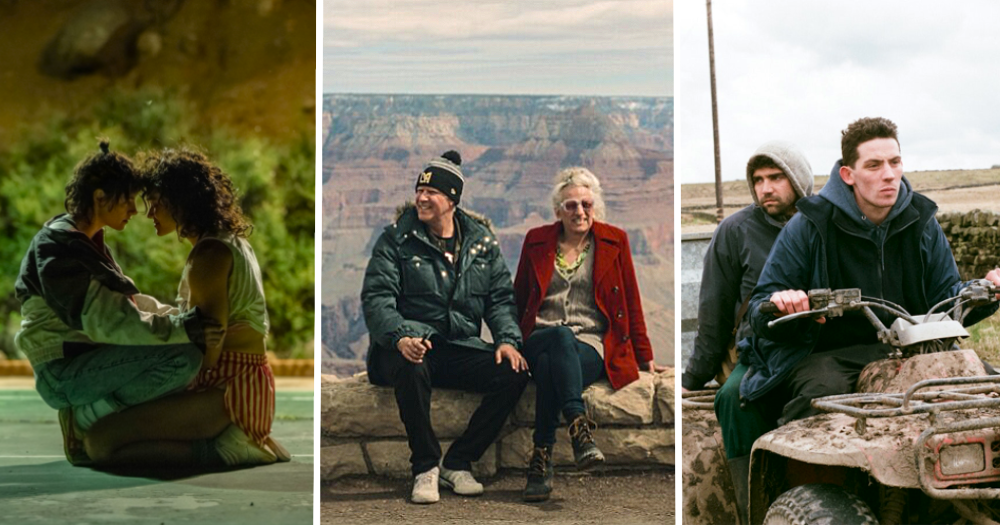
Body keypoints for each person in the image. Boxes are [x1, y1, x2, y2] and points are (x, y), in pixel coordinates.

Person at [736, 117, 1000, 515]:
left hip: (910, 354)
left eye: (895, 162)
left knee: (983, 388)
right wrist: (786, 302)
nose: (889, 175)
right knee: (819, 403)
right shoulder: (810, 225)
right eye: (874, 166)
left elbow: (948, 298)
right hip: (825, 352)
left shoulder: (922, 222)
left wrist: (989, 291)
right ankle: (815, 507)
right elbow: (760, 308)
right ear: (848, 174)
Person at [13, 140, 220, 466]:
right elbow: (109, 319)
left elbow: (129, 304)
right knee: (182, 358)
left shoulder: (82, 241)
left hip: (88, 363)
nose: (135, 210)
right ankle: (85, 420)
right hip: (64, 373)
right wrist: (184, 326)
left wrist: (178, 317)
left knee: (184, 351)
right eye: (127, 200)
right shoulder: (57, 249)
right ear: (99, 197)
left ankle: (91, 416)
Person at [82, 148, 288, 467]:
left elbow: (210, 348)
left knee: (99, 443)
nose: (149, 212)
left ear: (180, 201)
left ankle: (228, 448)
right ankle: (232, 437)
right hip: (244, 384)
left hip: (228, 390)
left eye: (155, 201)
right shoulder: (226, 243)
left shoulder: (209, 256)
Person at [361, 150, 529, 504]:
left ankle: (459, 462)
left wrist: (507, 340)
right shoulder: (396, 240)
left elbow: (499, 299)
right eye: (419, 191)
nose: (421, 198)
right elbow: (377, 299)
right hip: (403, 349)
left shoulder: (481, 243)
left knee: (514, 373)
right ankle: (425, 468)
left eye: (431, 192)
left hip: (456, 347)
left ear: (452, 199)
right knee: (412, 365)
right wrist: (400, 336)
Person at [680, 141, 814, 520]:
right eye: (758, 180)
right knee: (734, 398)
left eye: (776, 177)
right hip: (758, 350)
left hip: (819, 347)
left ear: (798, 180)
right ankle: (754, 507)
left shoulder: (825, 224)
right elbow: (714, 312)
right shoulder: (735, 231)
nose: (765, 188)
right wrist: (694, 376)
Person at [513, 167, 663, 502]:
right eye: (571, 205)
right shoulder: (536, 241)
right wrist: (510, 343)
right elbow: (518, 298)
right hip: (540, 335)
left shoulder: (614, 240)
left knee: (557, 362)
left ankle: (541, 459)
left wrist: (645, 358)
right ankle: (578, 426)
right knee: (558, 339)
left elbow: (631, 299)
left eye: (586, 204)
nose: (579, 212)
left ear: (595, 206)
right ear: (558, 211)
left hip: (592, 342)